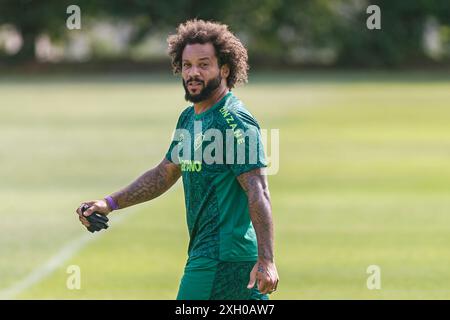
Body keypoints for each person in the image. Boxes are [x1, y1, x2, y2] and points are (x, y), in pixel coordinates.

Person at [76, 19, 279, 300]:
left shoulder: (233, 121)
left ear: (225, 69)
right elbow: (164, 174)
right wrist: (109, 203)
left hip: (221, 258)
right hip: (219, 256)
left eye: (203, 64)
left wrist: (267, 260)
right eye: (187, 65)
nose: (193, 73)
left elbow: (258, 189)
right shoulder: (190, 118)